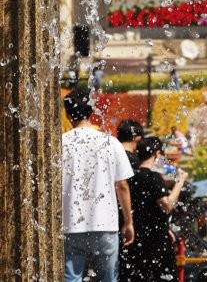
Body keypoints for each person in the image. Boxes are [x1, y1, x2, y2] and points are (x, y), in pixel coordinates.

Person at [62, 88, 135, 282]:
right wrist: (128, 221)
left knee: (71, 279)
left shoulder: (60, 143)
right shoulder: (110, 143)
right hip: (105, 224)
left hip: (71, 224)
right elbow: (122, 186)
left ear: (67, 114)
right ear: (91, 112)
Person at [120, 136, 189, 281]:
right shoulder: (153, 177)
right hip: (155, 241)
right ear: (157, 154)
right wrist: (180, 182)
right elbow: (167, 205)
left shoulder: (129, 177)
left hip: (133, 239)